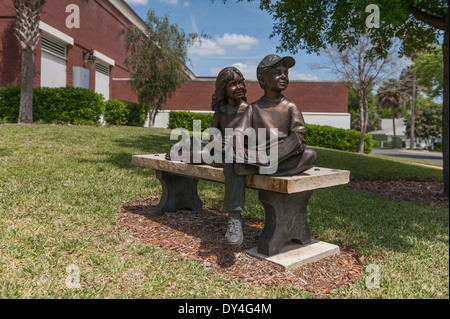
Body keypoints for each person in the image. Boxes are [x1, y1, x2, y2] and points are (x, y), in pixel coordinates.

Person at [223, 54, 317, 247]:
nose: (283, 76)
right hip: (258, 156)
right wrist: (240, 148)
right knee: (231, 159)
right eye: (277, 73)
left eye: (286, 73)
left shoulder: (290, 107)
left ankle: (257, 166)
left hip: (282, 156)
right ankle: (234, 218)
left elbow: (299, 136)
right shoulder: (253, 108)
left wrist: (276, 155)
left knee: (310, 155)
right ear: (262, 80)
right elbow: (238, 133)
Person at [165, 66, 248, 164]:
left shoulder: (249, 110)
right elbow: (212, 132)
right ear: (223, 89)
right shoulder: (221, 110)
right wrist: (217, 142)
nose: (239, 87)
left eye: (240, 82)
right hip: (220, 150)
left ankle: (182, 154)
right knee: (196, 153)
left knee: (199, 155)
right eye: (233, 84)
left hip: (237, 154)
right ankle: (183, 153)